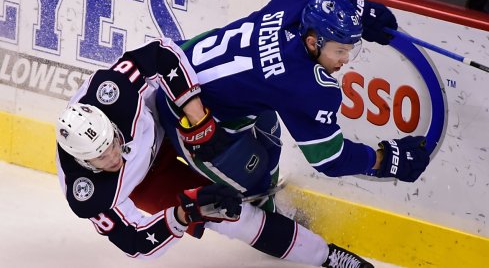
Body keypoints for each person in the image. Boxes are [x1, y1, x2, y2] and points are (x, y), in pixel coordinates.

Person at [55, 36, 375, 266]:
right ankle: (325, 256)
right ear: (83, 161)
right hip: (146, 181)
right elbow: (136, 244)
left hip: (168, 121)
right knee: (230, 218)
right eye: (100, 157)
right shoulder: (87, 195)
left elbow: (162, 54)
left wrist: (199, 117)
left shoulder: (113, 93)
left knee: (248, 115)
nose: (113, 156)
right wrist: (187, 214)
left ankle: (265, 197)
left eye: (111, 142)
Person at [156, 0, 431, 208]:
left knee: (270, 135)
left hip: (179, 66)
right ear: (313, 43)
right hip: (187, 115)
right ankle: (268, 216)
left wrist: (350, 8)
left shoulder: (299, 2)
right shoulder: (306, 86)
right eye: (339, 50)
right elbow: (330, 159)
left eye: (350, 49)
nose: (345, 60)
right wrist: (386, 159)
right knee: (254, 189)